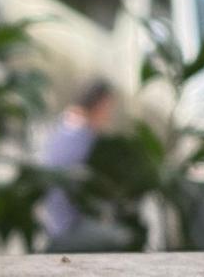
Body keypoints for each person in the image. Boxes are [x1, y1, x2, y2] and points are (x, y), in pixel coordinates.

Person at [39, 79, 134, 252]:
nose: (109, 115)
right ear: (99, 105)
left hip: (51, 219)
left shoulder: (64, 122)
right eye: (108, 108)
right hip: (68, 225)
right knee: (124, 238)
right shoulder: (84, 137)